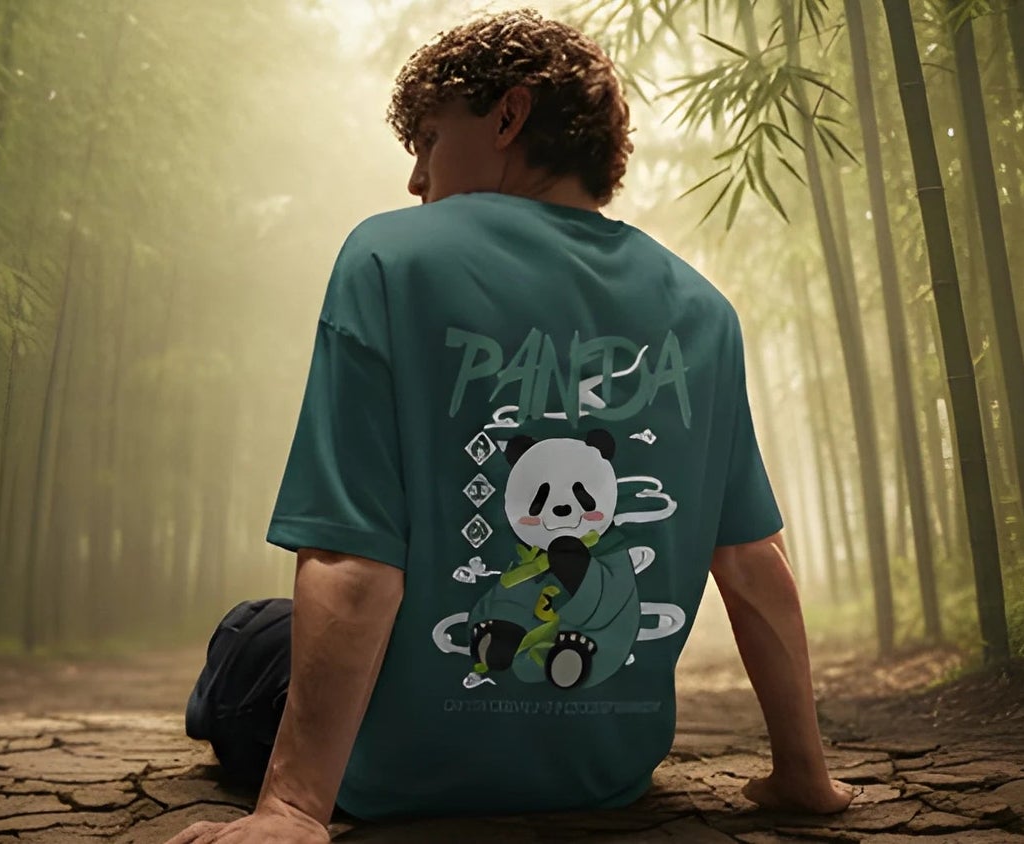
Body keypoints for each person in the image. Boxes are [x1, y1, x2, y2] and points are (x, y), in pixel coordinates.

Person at [168, 9, 856, 843]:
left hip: (392, 772)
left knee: (249, 633)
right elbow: (752, 565)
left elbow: (354, 553)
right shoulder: (702, 310)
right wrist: (804, 775)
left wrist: (292, 808)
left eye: (427, 139)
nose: (416, 179)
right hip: (606, 776)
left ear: (508, 115)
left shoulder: (390, 259)